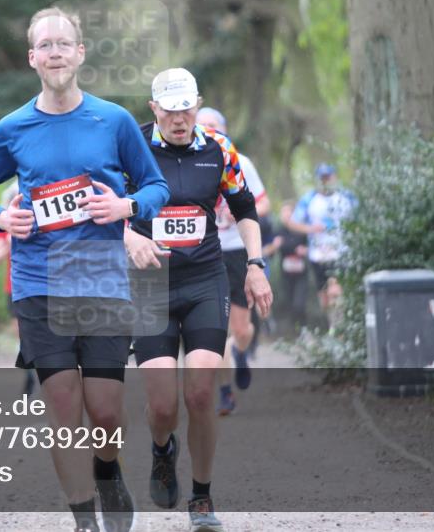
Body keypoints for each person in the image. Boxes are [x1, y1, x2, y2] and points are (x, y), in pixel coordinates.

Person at [0, 7, 169, 532]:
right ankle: (82, 519)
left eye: (64, 43)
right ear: (33, 58)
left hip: (102, 282)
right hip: (38, 284)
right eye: (45, 45)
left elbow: (155, 186)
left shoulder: (114, 120)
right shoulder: (12, 128)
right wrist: (1, 217)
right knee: (62, 405)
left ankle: (108, 470)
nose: (55, 52)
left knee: (104, 413)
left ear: (80, 53)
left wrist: (127, 209)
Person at [125, 73, 272, 532]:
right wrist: (129, 237)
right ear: (154, 108)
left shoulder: (220, 149)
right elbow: (103, 210)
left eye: (186, 108)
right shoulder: (130, 147)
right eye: (169, 109)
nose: (178, 118)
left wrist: (254, 265)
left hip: (206, 279)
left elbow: (245, 209)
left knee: (202, 392)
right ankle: (162, 449)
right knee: (164, 405)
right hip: (150, 285)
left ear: (198, 105)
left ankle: (202, 497)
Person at [194, 107, 273, 416]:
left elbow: (263, 203)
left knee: (241, 331)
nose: (208, 131)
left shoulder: (240, 161)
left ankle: (240, 353)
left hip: (238, 250)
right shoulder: (188, 163)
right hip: (206, 252)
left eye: (214, 126)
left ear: (224, 130)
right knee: (216, 329)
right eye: (203, 126)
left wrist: (238, 212)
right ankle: (225, 391)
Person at [285, 163, 356, 328]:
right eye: (322, 178)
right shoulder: (309, 199)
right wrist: (310, 228)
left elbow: (360, 217)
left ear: (334, 177)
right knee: (324, 299)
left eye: (328, 177)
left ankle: (339, 329)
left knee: (335, 291)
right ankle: (333, 323)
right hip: (317, 254)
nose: (325, 181)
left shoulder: (346, 197)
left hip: (341, 252)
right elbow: (292, 223)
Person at [0, 179, 36, 396]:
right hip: (14, 286)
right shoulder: (3, 226)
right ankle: (29, 377)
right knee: (24, 336)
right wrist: (9, 240)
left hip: (43, 283)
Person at [277, 200, 310, 332]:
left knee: (299, 303)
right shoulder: (279, 230)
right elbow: (279, 246)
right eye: (284, 213)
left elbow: (307, 247)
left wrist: (302, 249)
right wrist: (294, 248)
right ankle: (295, 331)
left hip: (301, 273)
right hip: (286, 273)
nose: (286, 216)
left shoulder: (301, 230)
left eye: (289, 213)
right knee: (290, 303)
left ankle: (304, 329)